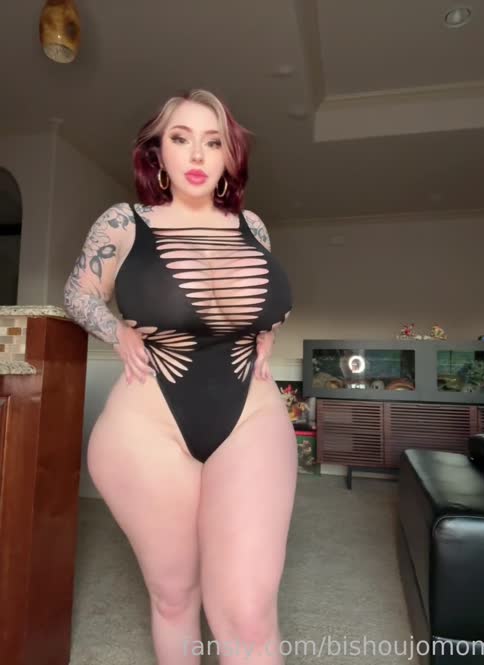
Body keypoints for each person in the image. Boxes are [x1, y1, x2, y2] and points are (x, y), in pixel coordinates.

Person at [63, 88, 297, 665]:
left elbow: (267, 301)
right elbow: (78, 293)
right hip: (149, 426)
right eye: (180, 138)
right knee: (175, 596)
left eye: (213, 142)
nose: (197, 154)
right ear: (157, 153)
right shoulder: (125, 222)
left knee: (247, 610)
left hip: (251, 414)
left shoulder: (252, 226)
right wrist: (116, 331)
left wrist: (268, 329)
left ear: (229, 156)